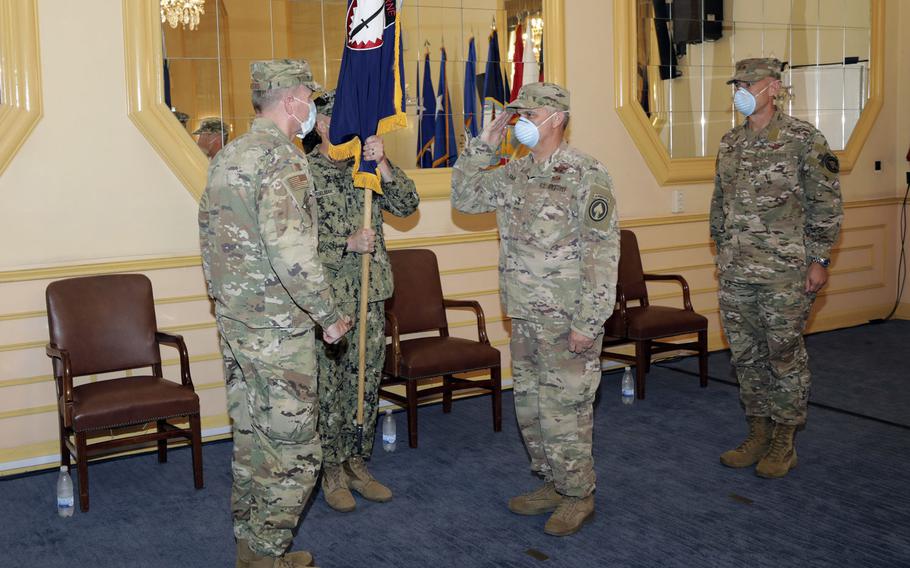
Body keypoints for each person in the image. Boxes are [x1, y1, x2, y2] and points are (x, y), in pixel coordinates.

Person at [199, 58, 352, 568]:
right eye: (309, 96)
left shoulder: (229, 155)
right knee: (295, 451)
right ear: (292, 101)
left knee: (250, 436)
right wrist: (328, 314)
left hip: (237, 322)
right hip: (277, 329)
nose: (311, 106)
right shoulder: (284, 160)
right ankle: (265, 555)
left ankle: (248, 540)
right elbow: (293, 253)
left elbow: (211, 244)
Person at [451, 82, 619, 536]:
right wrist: (483, 147)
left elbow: (602, 253)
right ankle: (551, 481)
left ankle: (578, 493)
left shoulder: (585, 172)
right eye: (518, 113)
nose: (522, 120)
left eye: (530, 112)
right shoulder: (513, 173)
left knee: (567, 408)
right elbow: (464, 199)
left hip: (569, 318)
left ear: (556, 117)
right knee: (531, 405)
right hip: (524, 314)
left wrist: (590, 320)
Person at [711, 58, 843, 478]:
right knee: (746, 356)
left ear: (773, 87)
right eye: (737, 83)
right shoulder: (730, 143)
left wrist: (819, 258)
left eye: (748, 83)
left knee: (783, 355)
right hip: (736, 272)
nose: (741, 91)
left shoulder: (803, 138)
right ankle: (758, 432)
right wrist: (721, 252)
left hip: (785, 272)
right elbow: (720, 204)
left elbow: (826, 203)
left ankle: (785, 439)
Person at [307, 90, 419, 512]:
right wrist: (345, 244)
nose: (352, 132)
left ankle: (357, 461)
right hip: (327, 301)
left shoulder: (366, 169)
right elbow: (288, 246)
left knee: (366, 383)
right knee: (330, 387)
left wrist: (383, 162)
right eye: (342, 123)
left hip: (370, 297)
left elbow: (408, 205)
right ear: (321, 126)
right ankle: (331, 469)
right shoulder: (303, 174)